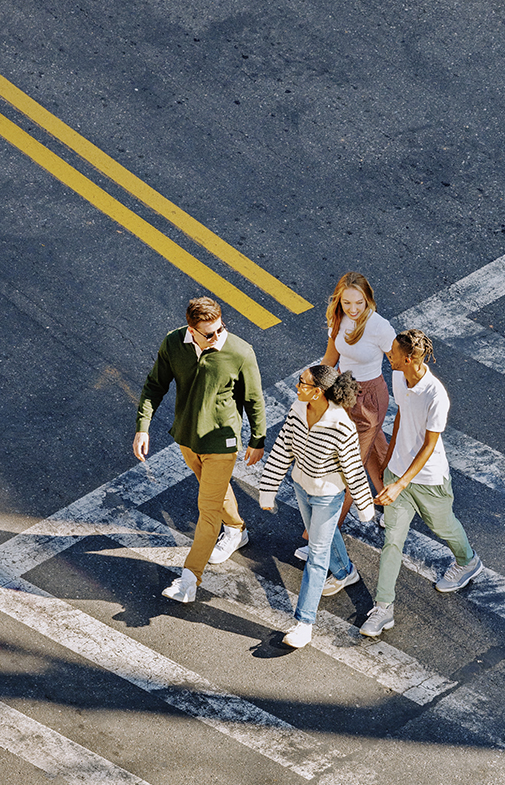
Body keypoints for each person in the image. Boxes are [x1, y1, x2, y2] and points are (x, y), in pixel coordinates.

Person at [133, 296, 266, 604]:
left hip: (222, 442)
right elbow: (155, 386)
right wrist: (143, 427)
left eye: (220, 329)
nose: (217, 337)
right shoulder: (173, 344)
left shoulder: (239, 352)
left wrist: (258, 439)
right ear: (191, 330)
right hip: (187, 439)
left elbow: (254, 400)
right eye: (209, 333)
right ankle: (237, 529)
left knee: (207, 511)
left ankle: (189, 579)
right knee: (215, 492)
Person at [360, 329, 482, 638]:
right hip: (399, 474)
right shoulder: (400, 378)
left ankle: (467, 561)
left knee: (443, 527)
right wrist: (389, 460)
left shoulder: (435, 394)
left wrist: (400, 483)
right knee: (392, 543)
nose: (388, 357)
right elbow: (401, 411)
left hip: (428, 481)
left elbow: (429, 446)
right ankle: (383, 608)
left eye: (393, 355)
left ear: (411, 358)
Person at [257, 365, 374, 648]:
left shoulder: (341, 425)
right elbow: (283, 448)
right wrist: (268, 491)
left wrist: (363, 505)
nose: (297, 386)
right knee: (323, 534)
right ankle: (346, 572)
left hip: (327, 494)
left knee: (317, 555)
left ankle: (303, 623)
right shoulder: (298, 409)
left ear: (318, 391)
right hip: (300, 486)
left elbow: (353, 469)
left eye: (302, 383)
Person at [294, 272, 395, 557]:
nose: (353, 309)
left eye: (359, 303)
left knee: (347, 466)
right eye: (347, 302)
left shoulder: (379, 327)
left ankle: (320, 540)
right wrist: (314, 391)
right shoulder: (338, 320)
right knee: (375, 451)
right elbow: (330, 359)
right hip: (343, 391)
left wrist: (411, 398)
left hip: (370, 401)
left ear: (368, 300)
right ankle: (393, 503)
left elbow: (397, 362)